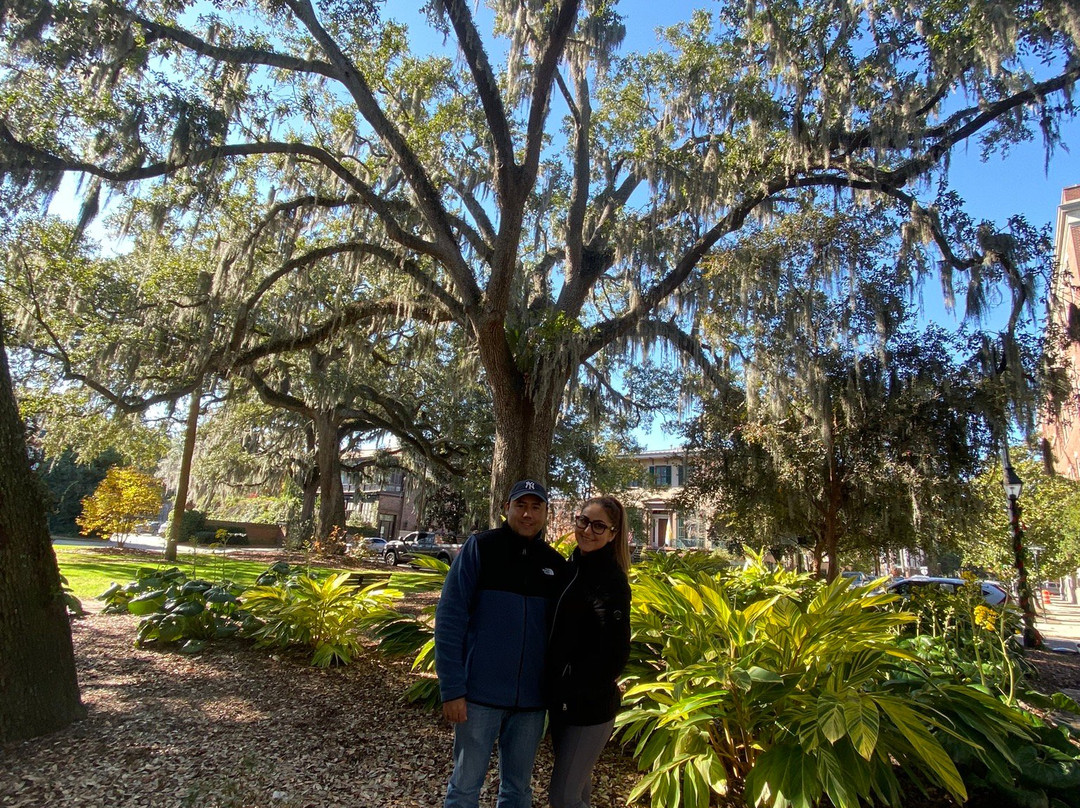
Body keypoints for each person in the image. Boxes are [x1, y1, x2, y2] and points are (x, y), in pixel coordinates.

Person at [434, 479, 567, 808]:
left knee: (518, 791)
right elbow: (450, 618)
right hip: (479, 698)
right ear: (505, 508)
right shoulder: (481, 548)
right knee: (465, 787)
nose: (527, 514)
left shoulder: (555, 564)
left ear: (546, 514)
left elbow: (565, 633)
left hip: (532, 705)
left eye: (536, 507)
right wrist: (452, 688)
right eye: (520, 505)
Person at [545, 495, 632, 808]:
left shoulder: (611, 581)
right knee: (578, 790)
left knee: (563, 797)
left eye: (599, 526)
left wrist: (575, 686)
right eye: (583, 521)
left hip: (589, 708)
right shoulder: (571, 567)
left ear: (612, 534)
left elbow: (617, 652)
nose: (588, 531)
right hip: (562, 703)